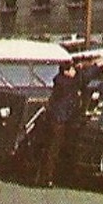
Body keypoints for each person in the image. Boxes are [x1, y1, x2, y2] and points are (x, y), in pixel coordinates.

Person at [38, 56, 80, 187]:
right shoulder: (67, 83)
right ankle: (48, 178)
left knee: (50, 149)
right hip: (60, 120)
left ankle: (44, 176)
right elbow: (82, 78)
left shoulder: (59, 81)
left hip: (54, 118)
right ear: (66, 71)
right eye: (72, 69)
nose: (75, 72)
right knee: (54, 150)